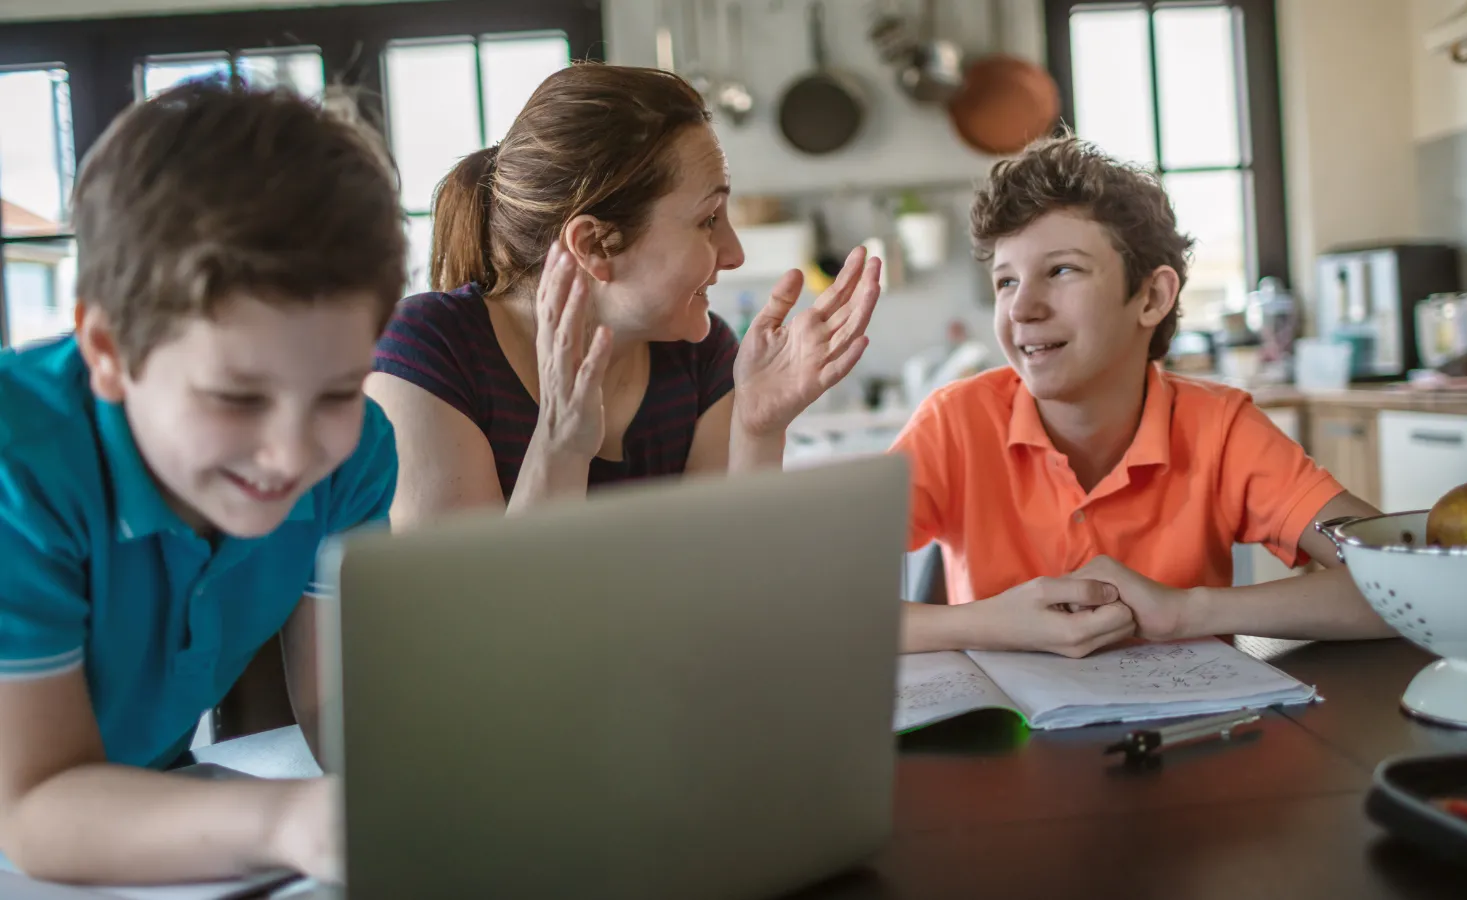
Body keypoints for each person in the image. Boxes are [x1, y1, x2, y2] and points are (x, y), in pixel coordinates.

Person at [0, 82, 407, 885]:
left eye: (336, 392)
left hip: (140, 808)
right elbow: (33, 803)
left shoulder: (357, 453)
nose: (290, 455)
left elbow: (340, 716)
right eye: (236, 397)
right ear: (109, 350)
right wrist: (291, 820)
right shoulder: (20, 466)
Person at [893, 133, 1394, 657]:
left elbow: (1410, 583)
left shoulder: (1219, 429)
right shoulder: (954, 423)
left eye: (1061, 270)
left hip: (1187, 736)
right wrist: (987, 623)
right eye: (1006, 282)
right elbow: (814, 602)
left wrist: (1185, 612)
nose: (1022, 309)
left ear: (1152, 297)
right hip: (1006, 736)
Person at [367, 64, 879, 524]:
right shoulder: (431, 351)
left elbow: (722, 595)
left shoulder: (702, 360)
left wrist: (759, 428)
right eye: (707, 220)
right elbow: (467, 618)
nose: (734, 253)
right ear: (594, 244)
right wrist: (562, 442)